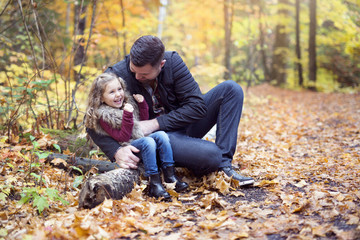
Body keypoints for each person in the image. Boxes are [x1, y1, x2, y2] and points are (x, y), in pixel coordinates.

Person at [87, 35, 254, 186]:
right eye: (133, 71)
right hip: (158, 140)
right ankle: (203, 158)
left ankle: (225, 166)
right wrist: (116, 151)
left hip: (183, 125)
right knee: (211, 156)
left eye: (144, 74)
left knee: (231, 89)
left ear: (161, 64)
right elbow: (91, 118)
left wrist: (155, 123)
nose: (137, 77)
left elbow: (197, 106)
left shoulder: (173, 62)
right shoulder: (116, 75)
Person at [84, 73, 189, 200]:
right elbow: (123, 137)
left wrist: (142, 104)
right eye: (111, 92)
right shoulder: (104, 116)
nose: (118, 94)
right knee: (148, 142)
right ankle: (154, 183)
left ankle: (170, 176)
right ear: (101, 98)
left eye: (119, 89)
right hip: (128, 146)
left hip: (137, 140)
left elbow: (139, 124)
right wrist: (127, 116)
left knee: (161, 135)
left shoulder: (124, 106)